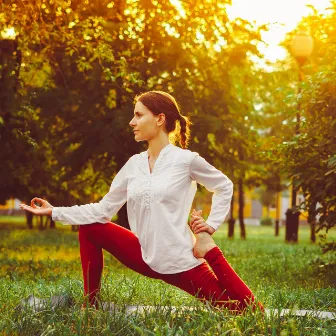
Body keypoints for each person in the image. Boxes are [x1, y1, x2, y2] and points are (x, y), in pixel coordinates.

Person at [20, 90, 264, 314]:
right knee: (91, 227)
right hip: (144, 254)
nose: (132, 122)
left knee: (248, 311)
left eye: (138, 115)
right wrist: (54, 211)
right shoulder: (134, 164)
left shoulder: (186, 160)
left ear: (159, 119)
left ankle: (209, 249)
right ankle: (90, 307)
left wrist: (210, 226)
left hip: (180, 261)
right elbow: (103, 210)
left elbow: (224, 185)